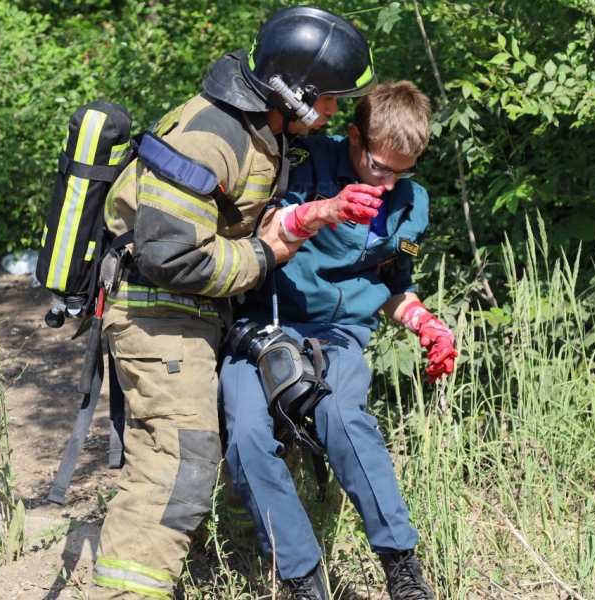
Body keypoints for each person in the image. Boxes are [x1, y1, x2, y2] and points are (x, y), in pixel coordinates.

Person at [91, 7, 378, 599]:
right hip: (157, 313)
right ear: (292, 92)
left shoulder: (259, 131)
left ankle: (229, 567)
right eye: (326, 100)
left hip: (194, 313)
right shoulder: (209, 135)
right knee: (177, 457)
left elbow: (230, 222)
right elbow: (171, 256)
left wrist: (304, 220)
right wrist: (266, 255)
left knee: (246, 430)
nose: (332, 113)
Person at [218, 80, 457, 600]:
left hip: (339, 334)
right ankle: (303, 578)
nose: (390, 182)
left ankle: (401, 567)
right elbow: (259, 232)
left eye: (403, 170)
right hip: (265, 323)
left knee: (342, 416)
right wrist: (319, 212)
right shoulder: (303, 160)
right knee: (247, 437)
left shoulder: (411, 202)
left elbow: (396, 288)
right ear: (354, 137)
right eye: (380, 167)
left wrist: (427, 325)